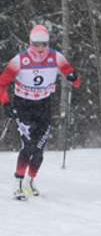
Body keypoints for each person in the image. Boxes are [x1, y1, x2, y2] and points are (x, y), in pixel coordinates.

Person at [0, 25, 81, 200]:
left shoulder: (55, 57)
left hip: (43, 105)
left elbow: (73, 77)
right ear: (30, 43)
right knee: (28, 145)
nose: (40, 49)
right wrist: (6, 104)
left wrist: (73, 77)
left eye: (43, 44)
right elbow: (2, 83)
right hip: (24, 105)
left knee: (39, 149)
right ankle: (18, 184)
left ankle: (30, 181)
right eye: (36, 44)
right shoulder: (20, 60)